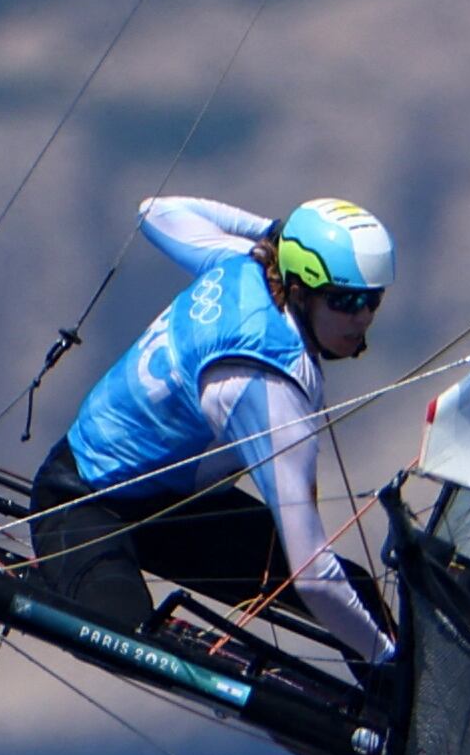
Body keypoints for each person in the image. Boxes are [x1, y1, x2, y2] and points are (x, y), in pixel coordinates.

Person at [30, 196, 399, 671]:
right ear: (300, 289)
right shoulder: (265, 385)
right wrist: (386, 661)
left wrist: (272, 231)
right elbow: (312, 577)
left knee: (361, 595)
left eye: (373, 300)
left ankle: (419, 721)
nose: (363, 318)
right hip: (81, 498)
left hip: (173, 508)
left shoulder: (244, 266)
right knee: (139, 649)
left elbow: (155, 210)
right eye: (345, 300)